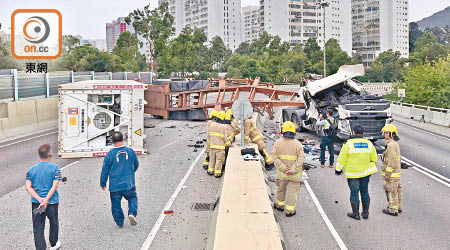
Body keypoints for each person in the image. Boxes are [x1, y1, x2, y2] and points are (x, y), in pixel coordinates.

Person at [335, 125, 378, 220]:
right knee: (365, 191)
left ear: (353, 132)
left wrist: (338, 170)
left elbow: (341, 159)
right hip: (365, 173)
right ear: (362, 133)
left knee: (354, 192)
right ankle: (365, 213)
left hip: (353, 173)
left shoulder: (348, 144)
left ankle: (356, 214)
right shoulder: (369, 143)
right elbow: (374, 158)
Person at [25, 144, 62, 250]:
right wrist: (46, 200)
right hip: (52, 202)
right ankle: (54, 243)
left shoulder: (31, 170)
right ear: (50, 154)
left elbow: (28, 187)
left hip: (37, 203)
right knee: (54, 222)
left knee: (38, 227)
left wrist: (40, 199)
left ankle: (41, 248)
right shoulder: (55, 168)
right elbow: (55, 185)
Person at [100, 131, 139, 228]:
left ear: (112, 141)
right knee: (132, 198)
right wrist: (130, 172)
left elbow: (105, 170)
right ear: (123, 139)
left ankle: (120, 222)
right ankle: (132, 213)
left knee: (115, 204)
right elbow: (136, 164)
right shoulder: (130, 151)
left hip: (115, 186)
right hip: (128, 183)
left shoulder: (109, 154)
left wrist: (103, 183)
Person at [272, 121, 306, 217]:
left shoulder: (277, 143)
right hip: (294, 175)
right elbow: (301, 158)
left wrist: (283, 168)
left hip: (282, 174)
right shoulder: (298, 144)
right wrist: (292, 170)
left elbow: (274, 157)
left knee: (281, 189)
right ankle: (290, 211)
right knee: (292, 192)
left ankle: (279, 206)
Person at [380, 124, 402, 216]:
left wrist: (388, 173)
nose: (384, 134)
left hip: (392, 174)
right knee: (397, 190)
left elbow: (392, 160)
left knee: (391, 190)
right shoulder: (394, 144)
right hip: (396, 173)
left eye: (386, 133)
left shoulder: (391, 145)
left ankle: (393, 210)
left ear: (391, 134)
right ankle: (398, 207)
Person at [207, 111, 230, 178]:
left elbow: (209, 135)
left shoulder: (212, 124)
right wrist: (228, 143)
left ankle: (210, 171)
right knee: (219, 160)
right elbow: (224, 137)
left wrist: (208, 146)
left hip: (212, 146)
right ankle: (217, 173)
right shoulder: (223, 127)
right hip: (220, 147)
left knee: (212, 159)